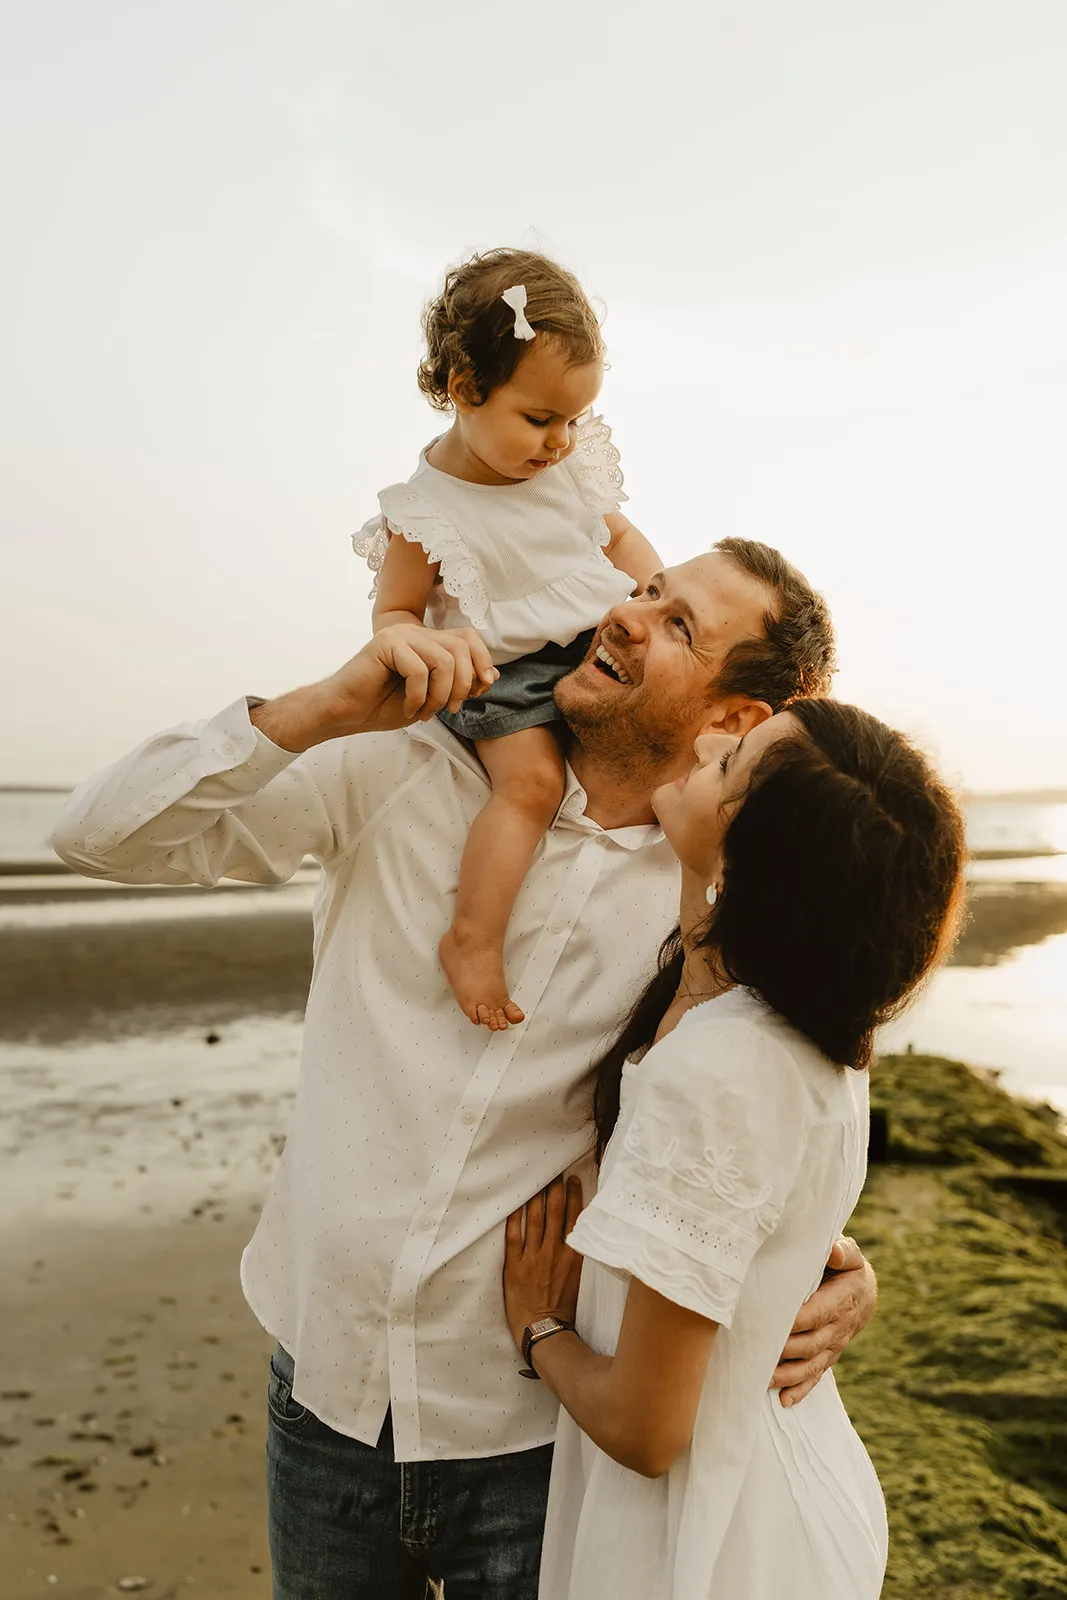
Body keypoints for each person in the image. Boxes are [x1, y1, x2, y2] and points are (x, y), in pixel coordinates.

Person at [53, 541, 875, 1600]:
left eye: (679, 627)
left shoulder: (724, 897)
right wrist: (320, 705)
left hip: (536, 1439)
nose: (626, 615)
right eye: (644, 590)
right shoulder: (405, 761)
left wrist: (831, 1261)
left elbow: (768, 1117)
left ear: (734, 718)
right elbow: (95, 839)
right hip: (324, 1395)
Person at [503, 700, 965, 1599]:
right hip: (772, 1485)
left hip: (711, 1542)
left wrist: (536, 1323)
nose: (708, 739)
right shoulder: (800, 1022)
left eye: (731, 763)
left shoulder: (719, 1067)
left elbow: (646, 1430)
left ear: (759, 869)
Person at [354, 247, 659, 1031]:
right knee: (533, 789)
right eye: (538, 419)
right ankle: (473, 938)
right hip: (506, 670)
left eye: (572, 419)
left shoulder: (562, 465)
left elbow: (619, 539)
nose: (558, 442)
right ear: (465, 390)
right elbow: (394, 614)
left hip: (596, 640)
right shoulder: (423, 511)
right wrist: (412, 646)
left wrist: (657, 601)